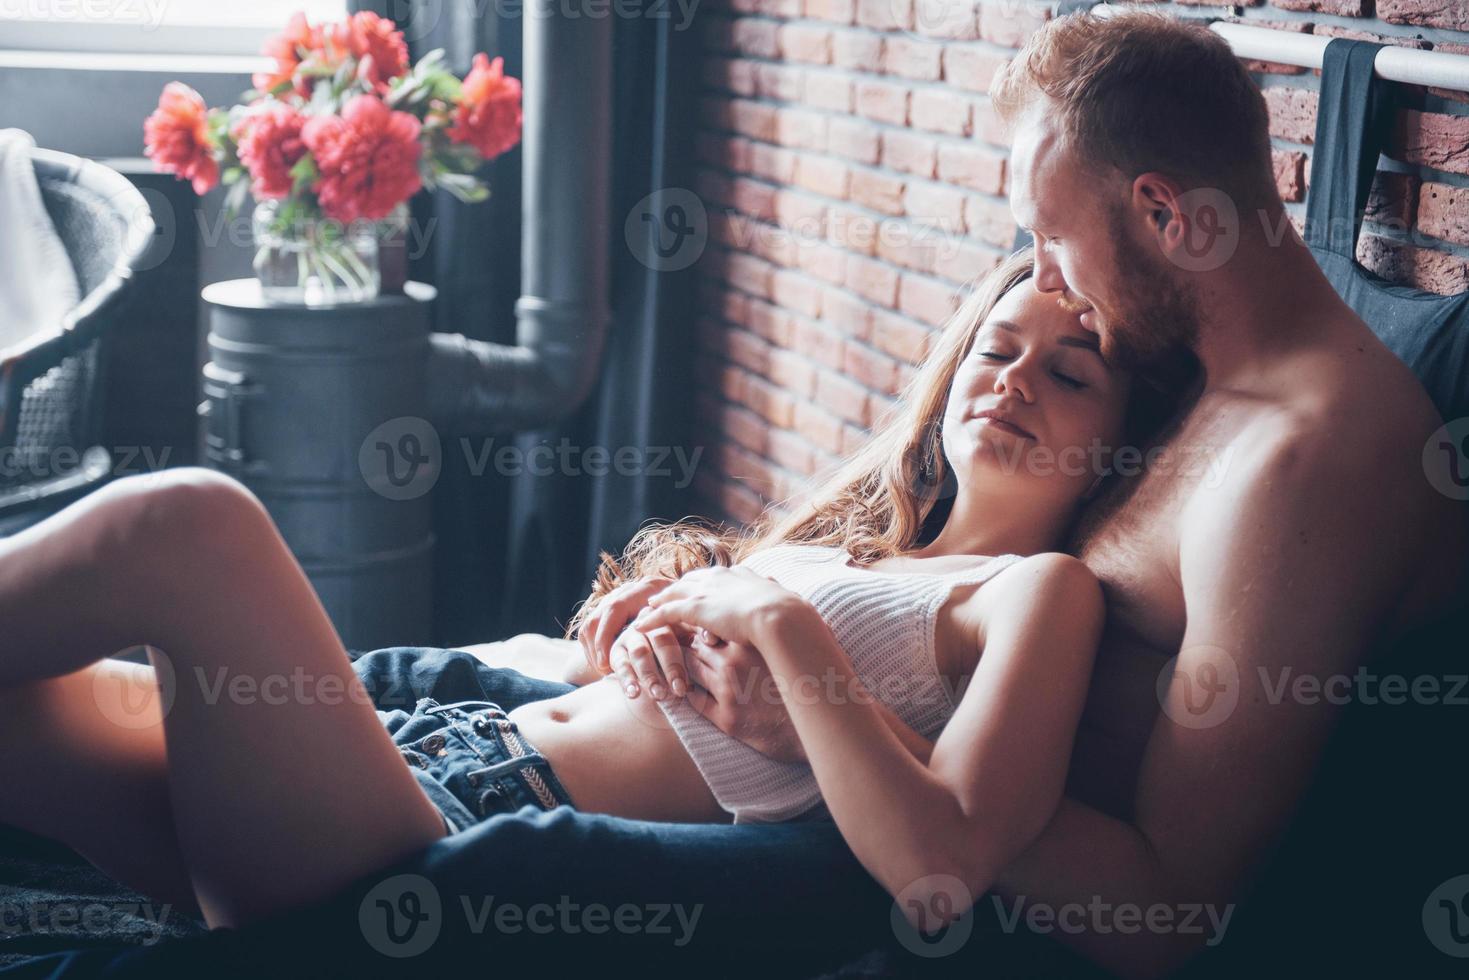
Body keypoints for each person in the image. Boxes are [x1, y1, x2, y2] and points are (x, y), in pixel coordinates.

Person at [0, 241, 1184, 937]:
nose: (1015, 379)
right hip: (426, 747)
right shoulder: (867, 542)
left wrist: (767, 616)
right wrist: (629, 625)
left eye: (1068, 372)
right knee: (26, 707)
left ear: (1120, 443)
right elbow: (686, 710)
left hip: (445, 839)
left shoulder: (1039, 590)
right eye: (995, 347)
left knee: (192, 527)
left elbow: (946, 865)